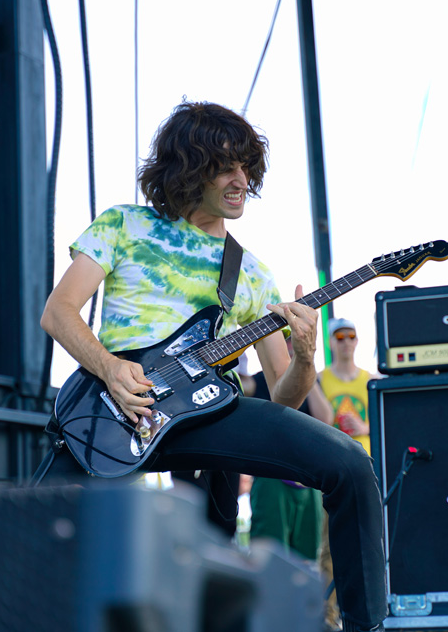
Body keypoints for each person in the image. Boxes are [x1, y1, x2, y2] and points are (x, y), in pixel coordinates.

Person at [38, 101, 386, 632]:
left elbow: (284, 398)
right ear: (188, 168)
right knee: (33, 530)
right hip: (111, 410)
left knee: (350, 466)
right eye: (225, 166)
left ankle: (366, 627)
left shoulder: (249, 272)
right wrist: (109, 367)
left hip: (206, 412)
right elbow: (58, 312)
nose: (240, 179)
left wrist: (306, 353)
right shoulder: (124, 225)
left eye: (247, 167)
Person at [244, 337, 333, 563]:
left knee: (307, 558)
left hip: (306, 481)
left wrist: (305, 367)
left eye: (296, 342)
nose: (292, 347)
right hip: (272, 478)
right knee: (269, 554)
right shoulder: (261, 381)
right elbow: (242, 385)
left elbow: (326, 419)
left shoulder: (313, 381)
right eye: (288, 343)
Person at [319, 317, 377, 456]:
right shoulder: (318, 380)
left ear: (357, 341)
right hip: (332, 456)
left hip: (365, 456)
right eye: (340, 337)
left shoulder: (371, 380)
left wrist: (364, 428)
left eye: (351, 336)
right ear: (330, 342)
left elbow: (387, 421)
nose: (346, 342)